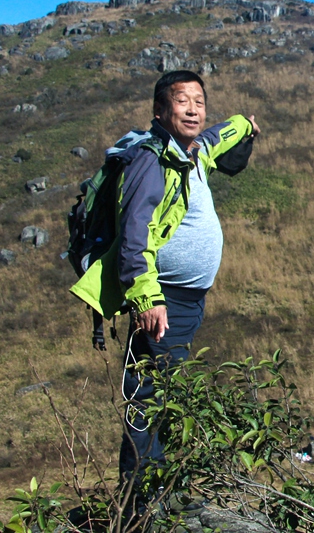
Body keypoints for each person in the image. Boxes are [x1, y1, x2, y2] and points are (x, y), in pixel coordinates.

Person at [70, 69, 259, 498]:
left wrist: (246, 125)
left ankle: (160, 489)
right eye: (181, 101)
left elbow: (218, 136)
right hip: (162, 301)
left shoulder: (190, 152)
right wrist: (148, 299)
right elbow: (134, 237)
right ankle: (143, 500)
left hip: (186, 300)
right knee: (152, 398)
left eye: (199, 101)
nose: (193, 109)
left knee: (169, 394)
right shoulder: (151, 159)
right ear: (160, 111)